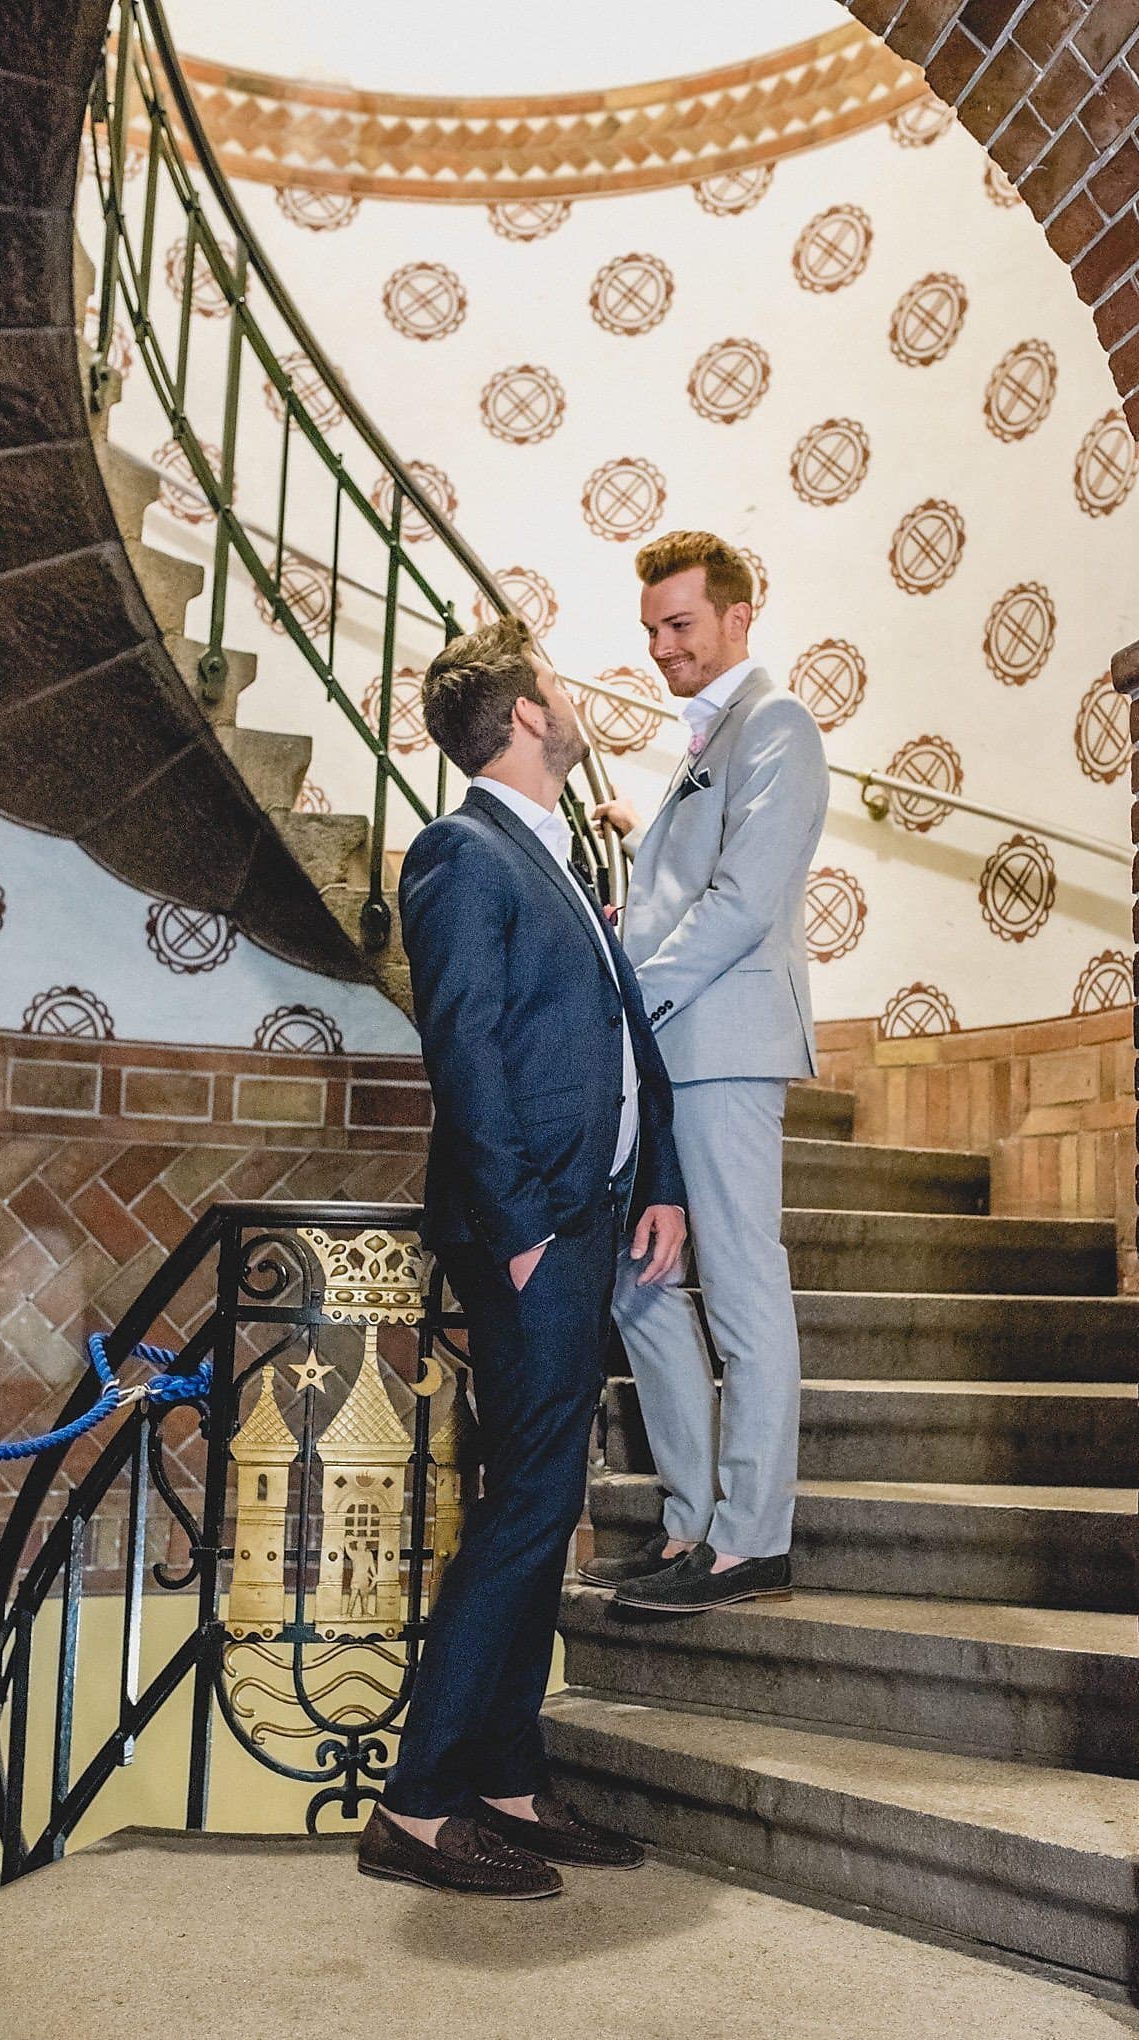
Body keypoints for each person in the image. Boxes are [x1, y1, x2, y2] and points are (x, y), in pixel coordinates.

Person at [357, 615, 687, 1901]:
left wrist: (653, 1176)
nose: (576, 688)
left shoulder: (556, 849)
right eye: (557, 679)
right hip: (532, 1227)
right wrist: (522, 1225)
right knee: (523, 1505)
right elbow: (466, 1048)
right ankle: (421, 1800)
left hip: (592, 1209)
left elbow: (616, 1028)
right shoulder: (460, 849)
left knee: (543, 1499)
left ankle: (500, 1771)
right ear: (525, 716)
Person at [585, 530, 829, 1615]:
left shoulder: (777, 724)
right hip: (666, 1054)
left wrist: (629, 985)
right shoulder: (704, 741)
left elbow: (739, 900)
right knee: (638, 1284)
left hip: (721, 1045)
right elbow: (687, 890)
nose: (660, 647)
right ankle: (689, 1519)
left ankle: (748, 1538)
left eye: (678, 624)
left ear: (737, 615)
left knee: (738, 1283)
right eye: (648, 629)